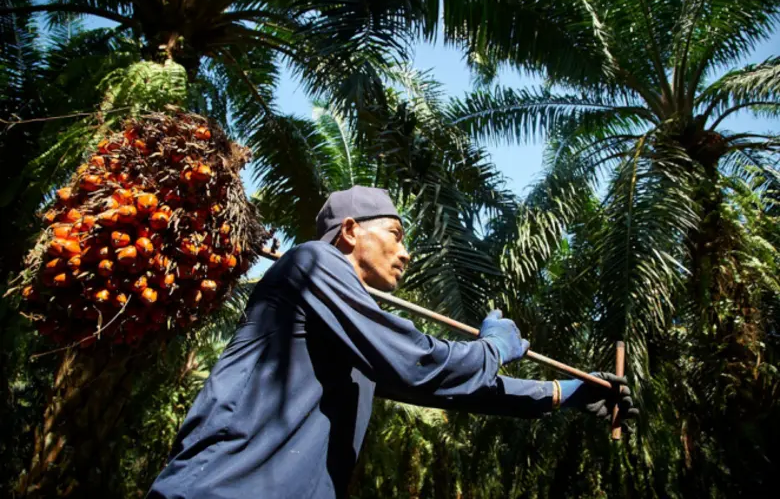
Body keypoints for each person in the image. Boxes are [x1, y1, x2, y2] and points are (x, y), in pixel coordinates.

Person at [147, 186, 638, 499]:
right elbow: (419, 363)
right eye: (396, 234)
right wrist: (492, 347)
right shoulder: (311, 263)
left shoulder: (350, 338)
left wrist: (563, 394)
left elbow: (433, 387)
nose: (405, 252)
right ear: (349, 231)